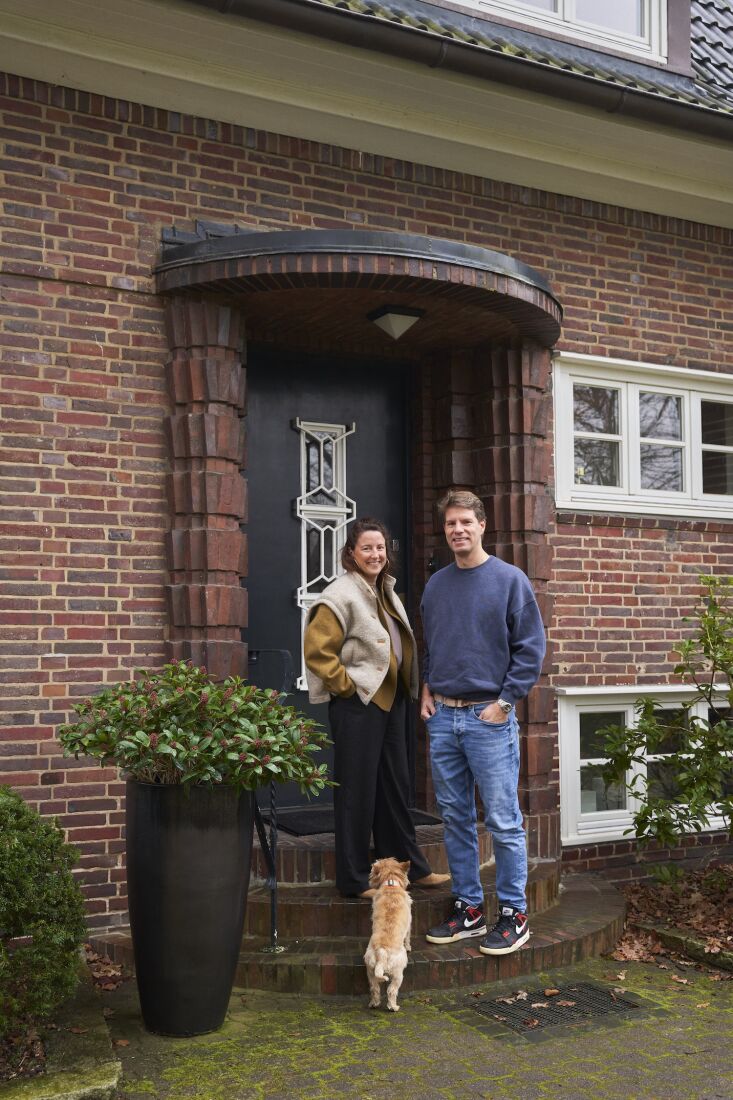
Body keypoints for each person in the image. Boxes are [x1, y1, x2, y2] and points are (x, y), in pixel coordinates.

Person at [420, 489, 546, 954]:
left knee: (503, 821)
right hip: (443, 717)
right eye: (450, 523)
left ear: (481, 526)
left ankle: (514, 914)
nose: (457, 530)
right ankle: (469, 909)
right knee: (454, 818)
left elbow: (531, 649)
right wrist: (427, 689)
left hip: (488, 718)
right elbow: (431, 644)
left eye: (465, 522)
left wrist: (506, 702)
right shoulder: (437, 585)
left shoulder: (509, 581)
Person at [304, 517, 449, 899]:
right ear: (350, 553)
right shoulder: (340, 594)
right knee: (357, 791)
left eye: (380, 547)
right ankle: (352, 879)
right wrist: (348, 687)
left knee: (394, 790)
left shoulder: (384, 589)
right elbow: (318, 653)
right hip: (360, 705)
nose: (375, 554)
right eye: (367, 547)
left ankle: (408, 866)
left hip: (392, 704)